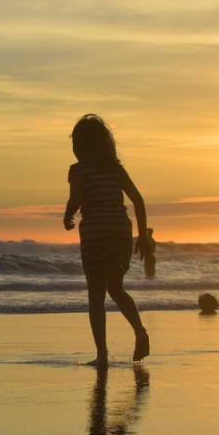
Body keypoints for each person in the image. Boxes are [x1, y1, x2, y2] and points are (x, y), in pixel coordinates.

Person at [63, 115, 152, 365]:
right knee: (116, 288)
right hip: (120, 230)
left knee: (96, 295)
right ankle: (140, 330)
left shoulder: (78, 169)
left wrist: (68, 215)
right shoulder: (115, 168)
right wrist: (143, 235)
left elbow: (76, 198)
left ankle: (102, 355)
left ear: (80, 146)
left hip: (95, 231)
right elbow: (138, 200)